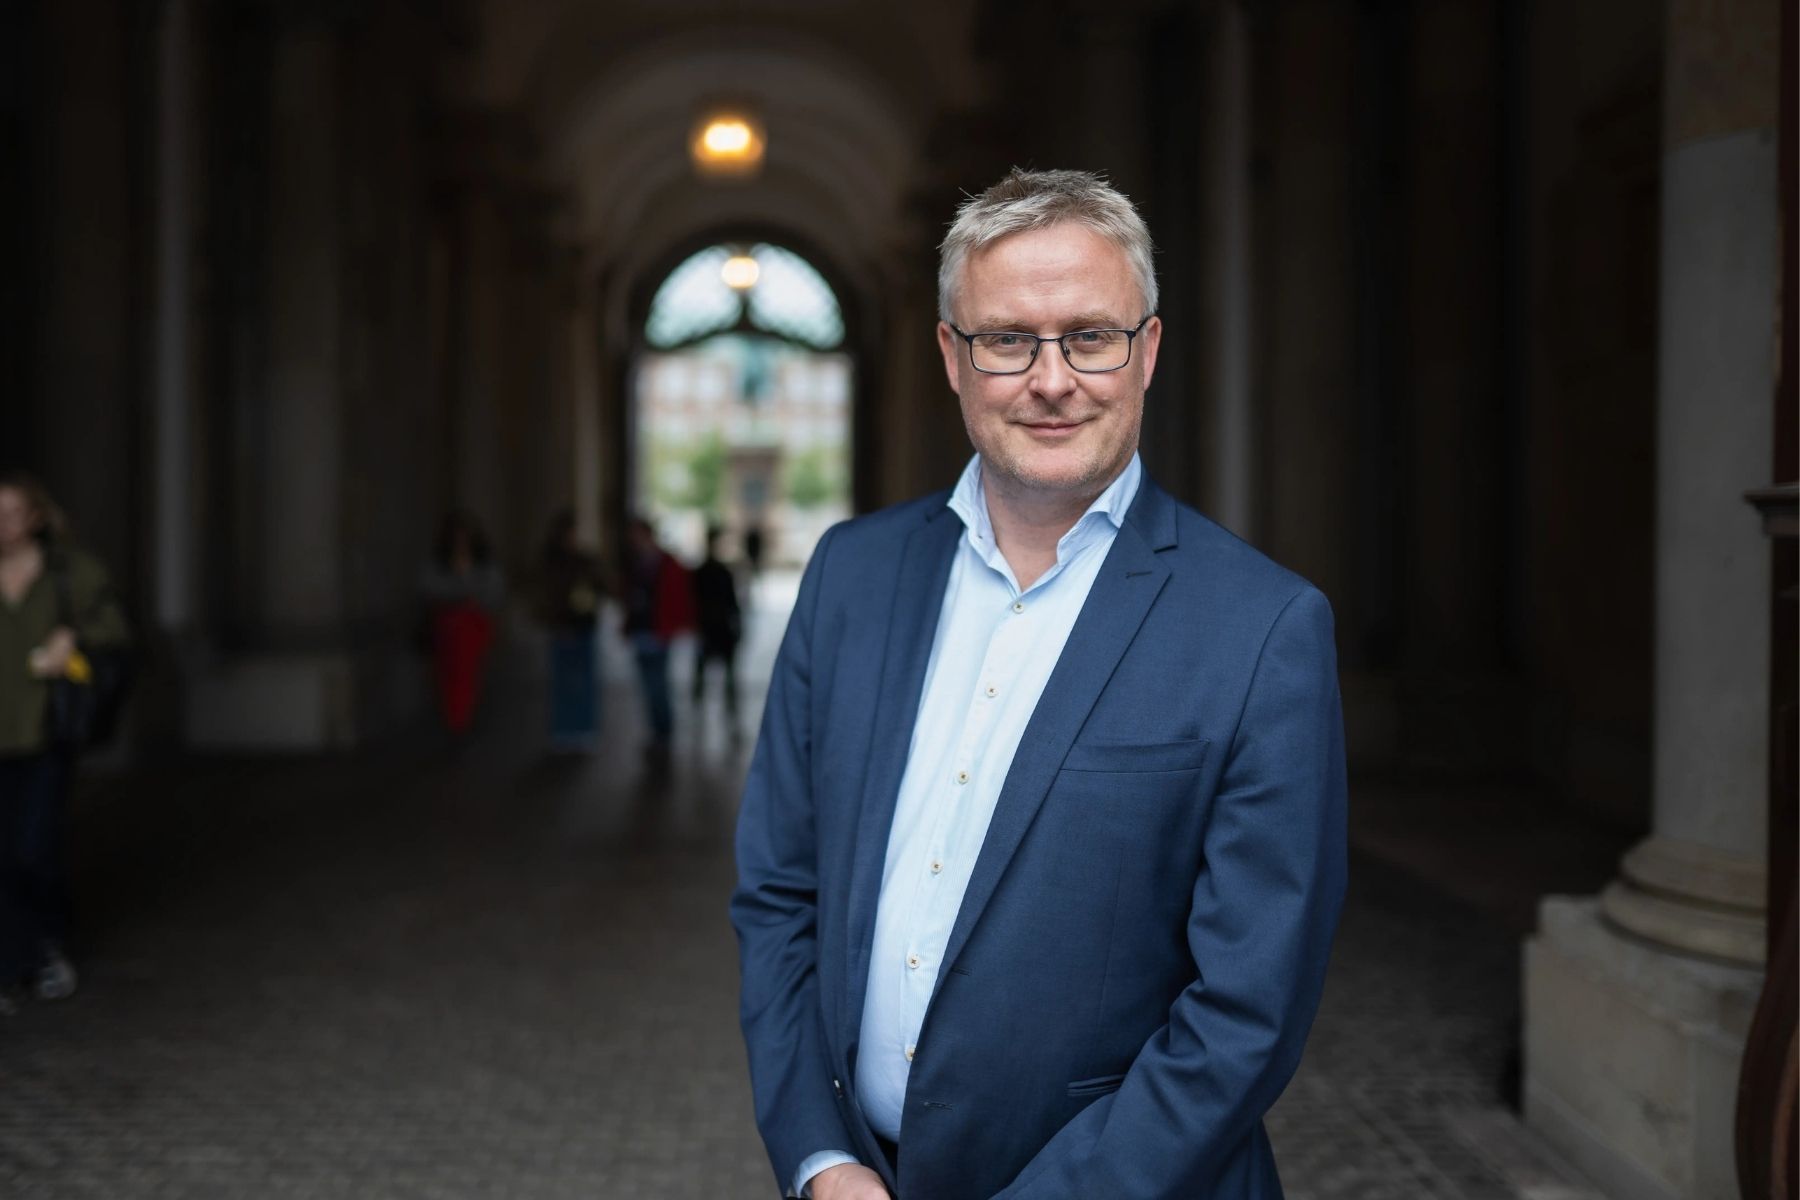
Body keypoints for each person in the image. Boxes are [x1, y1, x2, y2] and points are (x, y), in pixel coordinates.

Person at [731, 169, 1347, 1200]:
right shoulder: (850, 576)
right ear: (950, 358)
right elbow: (779, 897)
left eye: (1092, 336)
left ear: (1148, 350)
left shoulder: (1264, 627)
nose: (1051, 379)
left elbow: (1247, 1010)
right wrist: (821, 1156)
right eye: (1008, 339)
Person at [0, 472, 130, 1007]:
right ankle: (13, 959)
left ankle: (45, 946)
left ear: (35, 517)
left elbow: (116, 637)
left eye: (9, 513)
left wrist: (71, 642)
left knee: (32, 848)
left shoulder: (71, 575)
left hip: (42, 732)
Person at [418, 511, 503, 738]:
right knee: (449, 673)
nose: (461, 542)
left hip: (473, 625)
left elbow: (491, 592)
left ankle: (462, 717)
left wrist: (466, 585)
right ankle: (455, 718)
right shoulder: (439, 563)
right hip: (448, 625)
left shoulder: (483, 563)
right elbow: (430, 588)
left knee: (468, 672)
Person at [621, 516, 693, 763]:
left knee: (657, 686)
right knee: (648, 686)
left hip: (658, 632)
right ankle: (657, 732)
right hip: (643, 631)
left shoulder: (666, 564)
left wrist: (673, 626)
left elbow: (677, 597)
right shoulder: (637, 564)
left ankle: (663, 733)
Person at [538, 510, 606, 752]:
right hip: (562, 628)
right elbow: (545, 597)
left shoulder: (584, 561)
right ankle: (564, 729)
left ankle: (582, 728)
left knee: (583, 682)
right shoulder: (552, 563)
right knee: (563, 683)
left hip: (582, 626)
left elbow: (600, 588)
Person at [690, 525, 743, 737]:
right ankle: (724, 717)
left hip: (713, 629)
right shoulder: (715, 572)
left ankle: (709, 716)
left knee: (712, 675)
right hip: (714, 629)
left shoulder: (708, 572)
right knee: (715, 676)